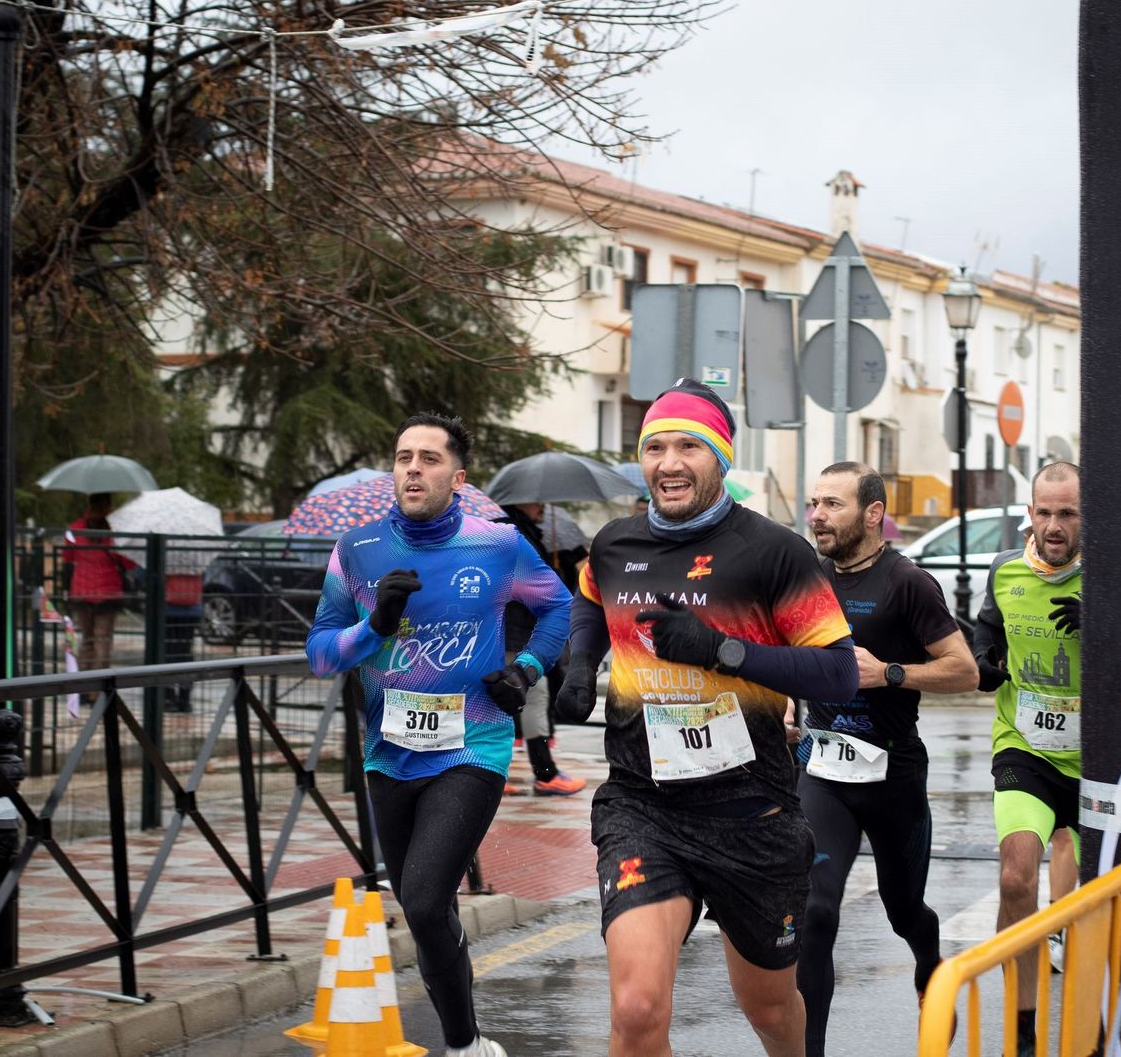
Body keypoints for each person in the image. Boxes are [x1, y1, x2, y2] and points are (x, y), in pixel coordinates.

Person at [553, 378, 858, 1057]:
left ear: (721, 457)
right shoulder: (614, 544)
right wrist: (580, 665)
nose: (668, 462)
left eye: (688, 445)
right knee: (635, 1011)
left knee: (773, 1013)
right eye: (654, 447)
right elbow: (589, 599)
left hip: (753, 816)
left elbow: (838, 673)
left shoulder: (775, 552)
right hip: (644, 808)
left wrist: (722, 650)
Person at [306, 413, 572, 1057]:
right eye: (402, 457)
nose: (413, 469)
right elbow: (319, 654)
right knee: (428, 915)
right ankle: (469, 1038)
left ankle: (462, 1047)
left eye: (428, 458)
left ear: (458, 476)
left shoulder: (497, 544)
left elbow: (557, 606)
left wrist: (527, 668)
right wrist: (378, 623)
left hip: (470, 746)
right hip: (388, 753)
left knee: (424, 902)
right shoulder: (358, 550)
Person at [797, 462, 978, 1055]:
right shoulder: (806, 576)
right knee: (816, 910)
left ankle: (930, 959)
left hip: (893, 774)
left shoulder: (908, 583)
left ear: (873, 514)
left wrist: (889, 674)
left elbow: (965, 671)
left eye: (832, 504)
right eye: (814, 503)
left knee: (905, 912)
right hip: (823, 770)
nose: (818, 515)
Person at [971, 461, 1083, 1056]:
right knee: (1016, 875)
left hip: (1099, 764)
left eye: (1067, 514)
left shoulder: (1110, 578)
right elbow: (984, 635)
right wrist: (985, 662)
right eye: (1045, 512)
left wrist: (1104, 628)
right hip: (1026, 748)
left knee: (1095, 905)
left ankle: (1097, 1029)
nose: (1054, 526)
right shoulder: (1004, 570)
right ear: (1030, 514)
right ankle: (1020, 1033)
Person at [494, 501, 587, 796]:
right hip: (517, 634)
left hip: (512, 633)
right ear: (520, 500)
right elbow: (527, 583)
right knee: (532, 698)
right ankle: (544, 774)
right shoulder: (513, 533)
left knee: (508, 702)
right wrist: (553, 578)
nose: (544, 507)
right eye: (537, 501)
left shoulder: (519, 530)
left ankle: (495, 773)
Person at [64, 492, 137, 695]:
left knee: (87, 640)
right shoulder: (115, 530)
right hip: (108, 592)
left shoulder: (76, 528)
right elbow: (128, 562)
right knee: (102, 640)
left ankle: (83, 687)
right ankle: (98, 690)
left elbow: (68, 556)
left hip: (81, 590)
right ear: (109, 505)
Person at [162, 571, 204, 713]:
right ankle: (185, 698)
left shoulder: (167, 557)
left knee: (169, 652)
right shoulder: (197, 558)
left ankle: (169, 696)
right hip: (192, 608)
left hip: (168, 608)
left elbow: (143, 575)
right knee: (185, 651)